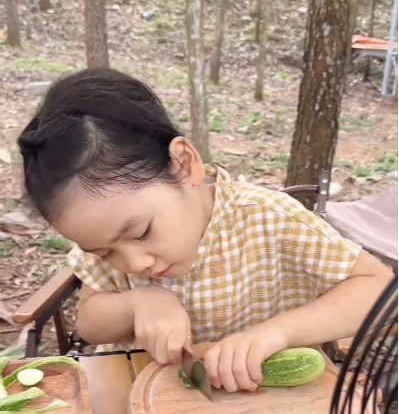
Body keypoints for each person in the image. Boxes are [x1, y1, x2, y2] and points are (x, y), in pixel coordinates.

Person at [18, 68, 393, 393]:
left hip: (260, 406)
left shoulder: (268, 218)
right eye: (105, 253)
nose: (133, 263)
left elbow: (377, 288)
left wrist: (276, 334)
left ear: (183, 164)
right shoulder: (109, 233)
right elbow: (91, 323)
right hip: (141, 394)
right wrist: (137, 303)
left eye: (142, 232)